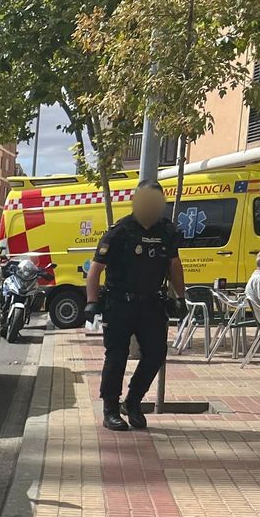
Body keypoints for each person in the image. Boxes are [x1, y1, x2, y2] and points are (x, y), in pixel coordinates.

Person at [84, 180, 186, 431]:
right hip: (119, 303)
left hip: (151, 303)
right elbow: (95, 270)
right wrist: (92, 302)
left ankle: (133, 401)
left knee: (156, 354)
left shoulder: (166, 231)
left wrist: (180, 298)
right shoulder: (120, 231)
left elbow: (174, 265)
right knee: (116, 356)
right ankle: (110, 408)